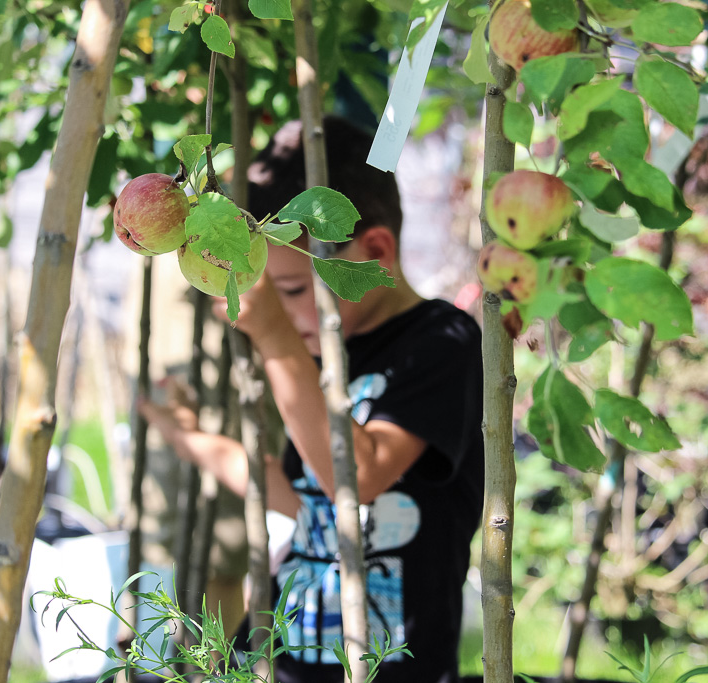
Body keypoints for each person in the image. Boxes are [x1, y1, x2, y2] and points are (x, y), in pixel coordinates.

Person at [139, 116, 484, 683]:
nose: (283, 310)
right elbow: (300, 494)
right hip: (287, 654)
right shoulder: (325, 352)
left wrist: (274, 337)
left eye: (294, 289)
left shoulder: (442, 343)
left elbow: (358, 475)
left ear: (374, 249)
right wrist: (185, 435)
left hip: (388, 667)